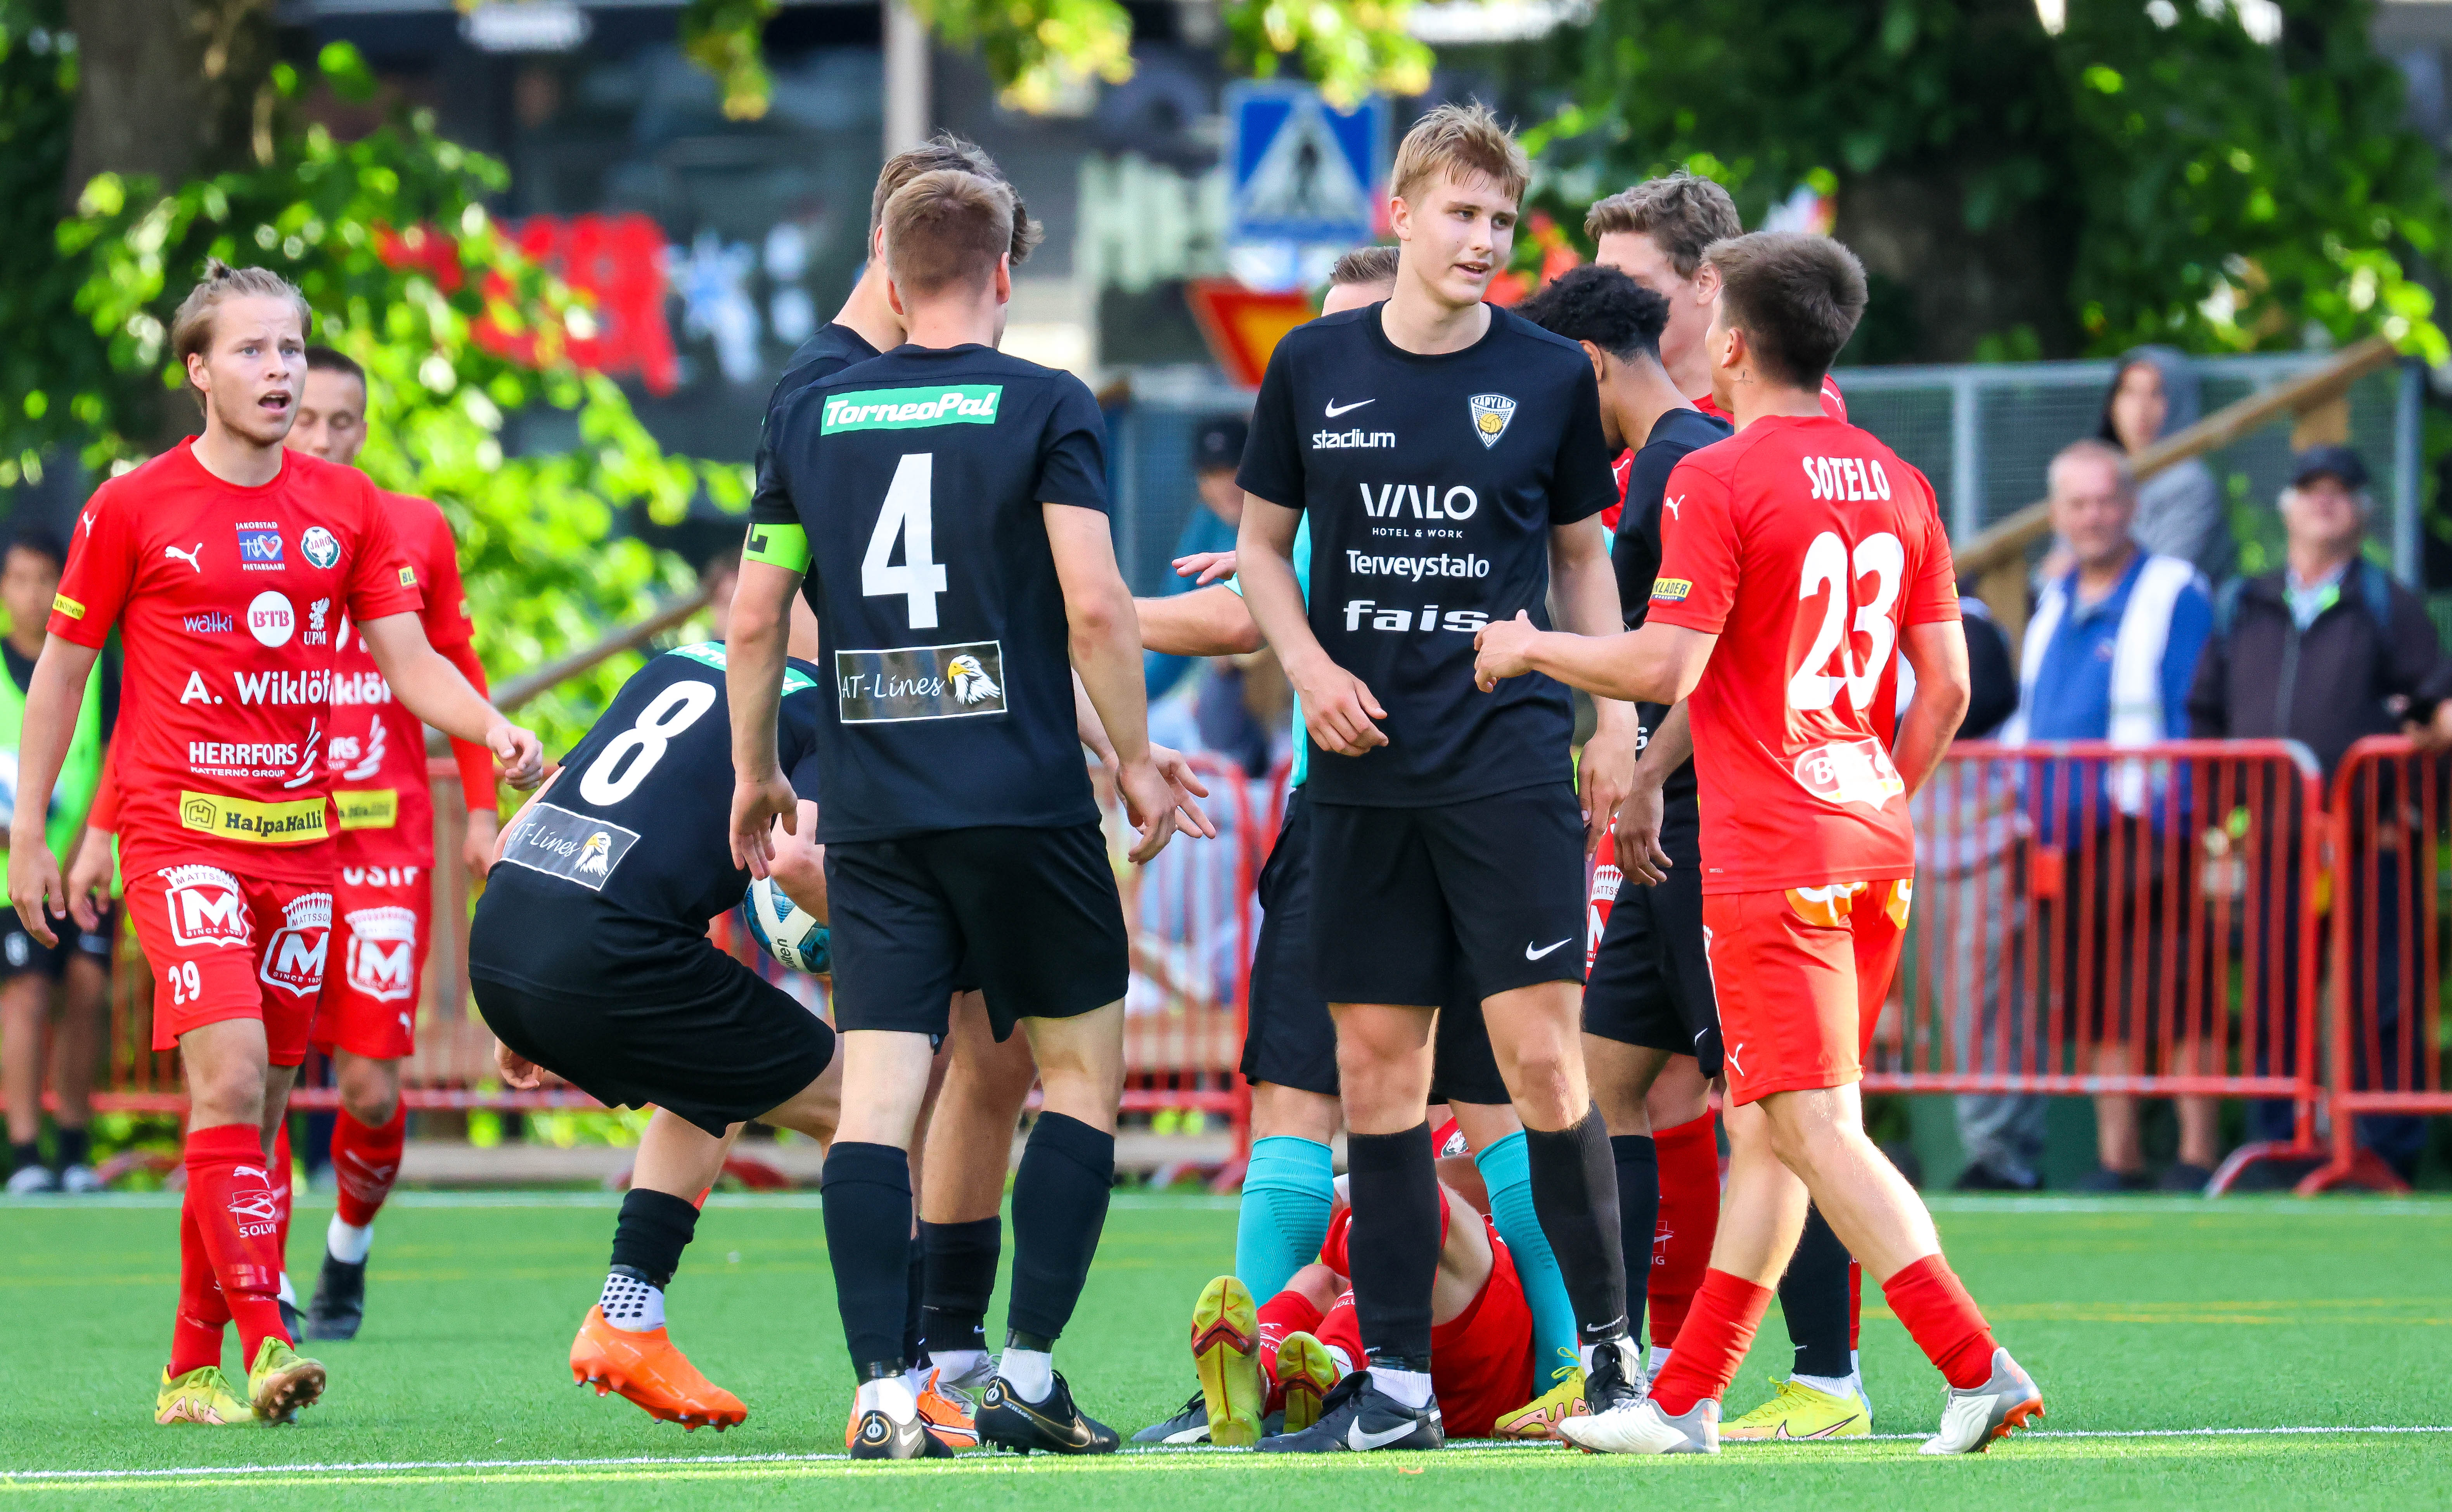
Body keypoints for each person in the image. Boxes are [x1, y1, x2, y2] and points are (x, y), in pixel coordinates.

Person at [1475, 230, 2041, 1456]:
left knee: (1806, 1122)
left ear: (1730, 341)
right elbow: (1941, 686)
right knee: (1770, 1124)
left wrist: (1529, 647)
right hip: (1868, 832)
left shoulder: (1716, 479)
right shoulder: (1898, 476)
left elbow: (1662, 664)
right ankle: (1683, 1404)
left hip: (1766, 846)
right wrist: (1873, 794)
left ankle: (1972, 1361)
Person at [7, 260, 542, 1428]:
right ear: (198, 371)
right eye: (252, 351)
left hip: (303, 851)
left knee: (246, 1114)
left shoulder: (349, 510)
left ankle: (188, 1367)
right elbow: (61, 675)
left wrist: (489, 729)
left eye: (292, 350)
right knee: (235, 1074)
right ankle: (267, 1339)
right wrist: (38, 837)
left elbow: (409, 663)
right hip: (180, 833)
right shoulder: (131, 505)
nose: (280, 371)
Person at [733, 167, 1201, 1460]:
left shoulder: (812, 415)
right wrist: (1141, 757)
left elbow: (759, 610)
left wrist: (756, 770)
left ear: (886, 276)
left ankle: (889, 1388)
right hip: (1026, 803)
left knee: (882, 1096)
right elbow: (1098, 606)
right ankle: (1029, 1372)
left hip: (878, 812)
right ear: (1004, 276)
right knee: (1079, 1080)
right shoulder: (1045, 403)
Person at [1234, 103, 1644, 1456]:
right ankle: (1397, 1384)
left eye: (1498, 220)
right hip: (1361, 778)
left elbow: (1585, 556)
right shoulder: (1308, 365)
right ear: (1398, 216)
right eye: (1458, 213)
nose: (1481, 239)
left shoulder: (1544, 375)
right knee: (1377, 1075)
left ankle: (1612, 1363)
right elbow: (1257, 553)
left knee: (1539, 1057)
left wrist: (1611, 721)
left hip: (1507, 767)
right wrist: (1307, 667)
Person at [1125, 244, 1583, 1448]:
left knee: (1320, 1106)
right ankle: (1567, 1366)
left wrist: (1085, 609)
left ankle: (1507, 1368)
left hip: (1376, 805)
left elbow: (1236, 620)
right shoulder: (1381, 461)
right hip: (1467, 797)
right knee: (1473, 1106)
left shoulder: (1394, 469)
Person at [1513, 261, 1877, 1441]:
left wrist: (1629, 756)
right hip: (1676, 832)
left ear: (1579, 366)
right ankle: (1639, 1365)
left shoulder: (1688, 466)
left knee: (1773, 1108)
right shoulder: (1671, 464)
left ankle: (1828, 1376)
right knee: (1603, 1076)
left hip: (1729, 832)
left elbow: (1687, 657)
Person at [472, 641, 843, 1434]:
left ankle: (627, 1314)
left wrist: (524, 1004)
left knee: (719, 1070)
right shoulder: (828, 705)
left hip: (506, 936)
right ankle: (902, 1368)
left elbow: (513, 833)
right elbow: (796, 859)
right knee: (862, 1102)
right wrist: (898, 942)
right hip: (605, 953)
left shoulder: (676, 662)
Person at [271, 345, 503, 1340]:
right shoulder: (238, 520)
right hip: (267, 837)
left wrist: (485, 806)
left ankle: (346, 1257)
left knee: (367, 1086)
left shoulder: (410, 528)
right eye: (306, 417)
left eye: (342, 421)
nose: (321, 437)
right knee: (254, 1071)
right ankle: (261, 1280)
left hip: (385, 850)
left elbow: (455, 662)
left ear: (365, 427)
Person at [2189, 444, 2439, 1183]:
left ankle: (2382, 1148)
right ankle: (2283, 1143)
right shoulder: (2244, 601)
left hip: (2369, 839)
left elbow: (2435, 704)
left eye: (2342, 490)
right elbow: (2205, 714)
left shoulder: (2388, 602)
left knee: (2379, 994)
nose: (2325, 501)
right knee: (2273, 990)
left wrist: (2413, 794)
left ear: (2363, 510)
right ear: (2288, 506)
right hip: (2274, 838)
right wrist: (2218, 830)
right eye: (2311, 488)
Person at [2003, 440, 2217, 1192]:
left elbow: (2201, 705)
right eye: (2077, 503)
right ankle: (2118, 1156)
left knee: (2178, 994)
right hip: (2068, 835)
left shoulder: (2171, 588)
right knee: (2095, 1002)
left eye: (2105, 500)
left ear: (2130, 505)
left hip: (2157, 825)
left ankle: (2195, 1155)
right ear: (2057, 514)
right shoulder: (2052, 598)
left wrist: (2195, 821)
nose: (2092, 516)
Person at [1193, 1151, 1536, 1443]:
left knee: (1408, 1191)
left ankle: (1333, 1370)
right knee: (1319, 1280)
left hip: (1485, 1347)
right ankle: (1262, 1384)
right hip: (1412, 1358)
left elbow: (1528, 1167)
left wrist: (1354, 1188)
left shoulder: (1474, 1093)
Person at [0, 524, 116, 1195]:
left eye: (46, 578)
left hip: (90, 862)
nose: (34, 592)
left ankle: (75, 1146)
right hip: (15, 868)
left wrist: (81, 848)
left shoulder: (96, 661)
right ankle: (24, 1155)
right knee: (24, 994)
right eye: (19, 578)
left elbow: (114, 749)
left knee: (88, 989)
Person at [1586, 173, 1847, 425]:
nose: (1605, 303)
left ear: (1706, 283)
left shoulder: (1795, 402)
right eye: (1600, 282)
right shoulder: (1589, 403)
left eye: (1631, 284)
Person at [2098, 347, 2231, 586]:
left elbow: (2161, 578)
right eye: (2130, 392)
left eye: (2156, 394)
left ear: (2179, 402)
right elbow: (2054, 573)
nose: (2141, 409)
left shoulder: (2190, 484)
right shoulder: (2095, 478)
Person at [1144, 415, 1251, 701]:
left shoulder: (1288, 516)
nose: (1224, 485)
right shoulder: (1206, 521)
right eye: (1211, 474)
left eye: (1233, 469)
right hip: (1224, 700)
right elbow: (1173, 610)